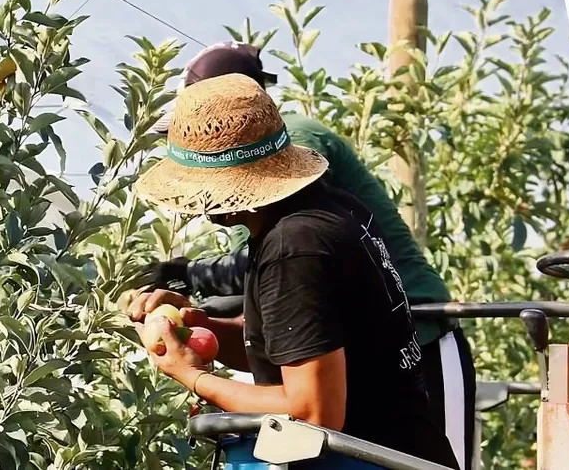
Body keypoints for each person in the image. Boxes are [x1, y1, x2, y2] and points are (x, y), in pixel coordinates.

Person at [144, 41, 474, 470]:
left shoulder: (294, 246)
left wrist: (194, 377)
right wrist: (201, 327)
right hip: (403, 448)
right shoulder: (322, 210)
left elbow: (312, 413)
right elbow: (303, 348)